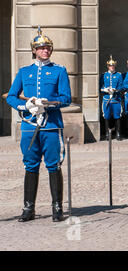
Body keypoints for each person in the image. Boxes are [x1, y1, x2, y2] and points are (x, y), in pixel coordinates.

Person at [6, 27, 71, 222]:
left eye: (48, 48)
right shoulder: (24, 72)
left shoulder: (59, 71)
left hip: (50, 126)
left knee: (53, 166)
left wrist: (47, 105)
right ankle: (28, 208)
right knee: (31, 165)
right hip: (29, 126)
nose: (45, 51)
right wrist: (25, 105)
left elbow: (66, 98)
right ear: (34, 50)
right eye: (41, 48)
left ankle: (57, 207)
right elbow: (11, 96)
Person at [100, 56, 124, 141]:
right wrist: (105, 89)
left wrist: (116, 90)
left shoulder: (118, 75)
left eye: (113, 65)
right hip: (107, 98)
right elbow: (100, 86)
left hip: (116, 99)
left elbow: (121, 86)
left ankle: (118, 133)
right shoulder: (104, 75)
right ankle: (107, 134)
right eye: (110, 66)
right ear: (108, 66)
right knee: (106, 116)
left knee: (117, 117)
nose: (112, 67)